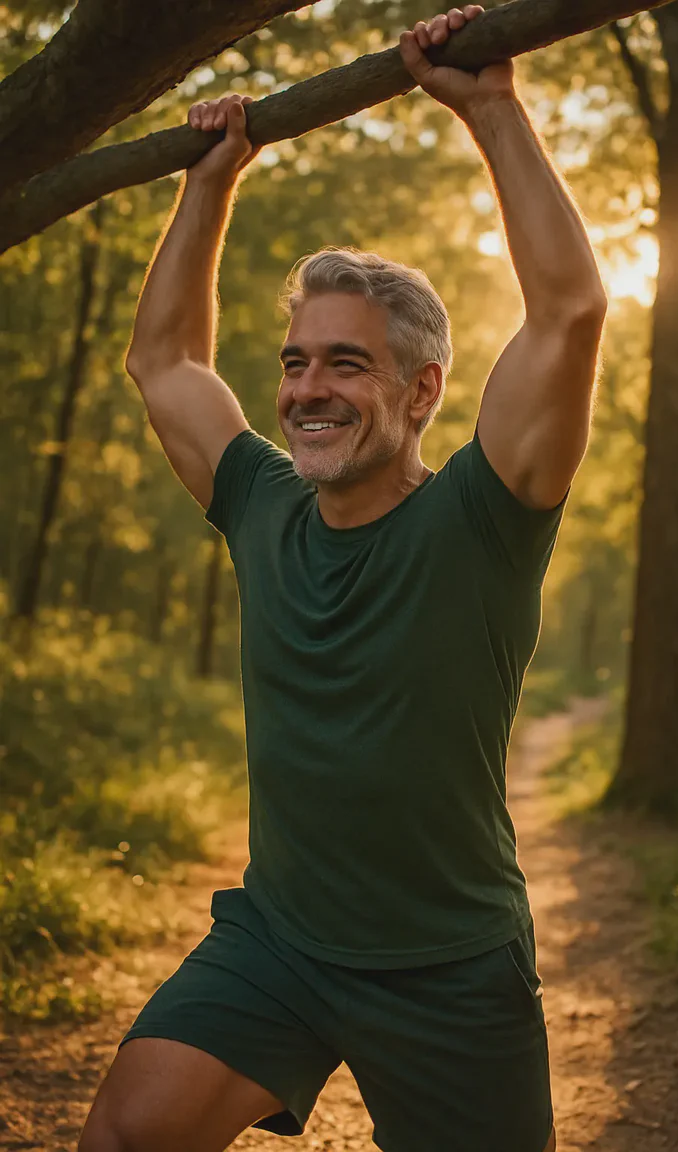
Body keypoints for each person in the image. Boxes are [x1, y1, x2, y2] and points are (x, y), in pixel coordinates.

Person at [79, 5, 606, 1150]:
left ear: (422, 391)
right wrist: (211, 182)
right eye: (296, 362)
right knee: (126, 1133)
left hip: (449, 963)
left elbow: (568, 312)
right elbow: (163, 360)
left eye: (348, 364)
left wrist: (495, 111)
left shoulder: (487, 514)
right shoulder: (261, 503)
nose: (309, 390)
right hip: (279, 942)